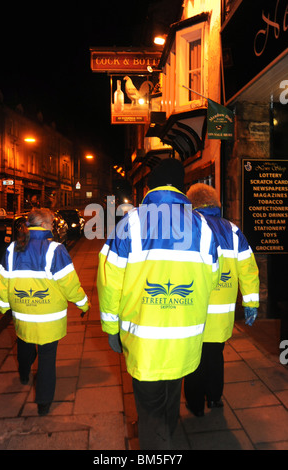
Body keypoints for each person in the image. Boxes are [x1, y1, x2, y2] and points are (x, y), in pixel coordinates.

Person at [97, 159, 224, 450]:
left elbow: (109, 280)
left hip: (144, 340)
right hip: (184, 338)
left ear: (150, 186)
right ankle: (164, 437)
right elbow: (213, 278)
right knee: (169, 398)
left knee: (149, 409)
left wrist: (111, 327)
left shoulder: (131, 223)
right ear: (181, 189)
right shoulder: (203, 227)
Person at [0, 208, 90, 416]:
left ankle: (23, 372)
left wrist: (4, 305)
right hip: (49, 318)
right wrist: (83, 303)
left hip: (22, 313)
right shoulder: (55, 250)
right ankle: (44, 402)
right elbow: (69, 284)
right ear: (47, 225)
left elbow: (2, 281)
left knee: (24, 341)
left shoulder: (13, 248)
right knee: (47, 356)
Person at [184, 183, 260, 416]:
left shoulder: (187, 230)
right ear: (216, 204)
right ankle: (215, 398)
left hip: (191, 312)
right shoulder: (232, 231)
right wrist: (251, 303)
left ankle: (195, 405)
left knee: (193, 360)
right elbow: (248, 269)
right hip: (220, 316)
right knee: (215, 356)